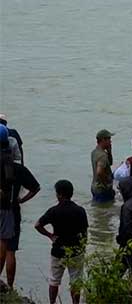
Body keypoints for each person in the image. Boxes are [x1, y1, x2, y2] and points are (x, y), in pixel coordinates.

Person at [34, 180, 86, 304]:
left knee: (54, 280)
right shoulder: (80, 210)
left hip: (58, 250)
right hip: (76, 250)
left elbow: (37, 225)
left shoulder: (53, 210)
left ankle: (52, 302)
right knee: (76, 281)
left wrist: (50, 235)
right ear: (71, 193)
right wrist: (83, 246)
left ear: (60, 195)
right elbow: (85, 232)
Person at [0, 128, 40, 288]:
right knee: (10, 249)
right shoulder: (16, 168)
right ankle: (10, 287)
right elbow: (35, 188)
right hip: (11, 210)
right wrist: (21, 200)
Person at [90, 129, 115, 202]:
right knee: (106, 211)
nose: (110, 141)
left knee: (99, 210)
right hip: (102, 189)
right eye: (109, 139)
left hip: (94, 186)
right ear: (103, 140)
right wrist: (106, 185)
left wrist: (109, 152)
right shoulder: (102, 155)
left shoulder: (94, 152)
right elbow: (99, 172)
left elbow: (109, 163)